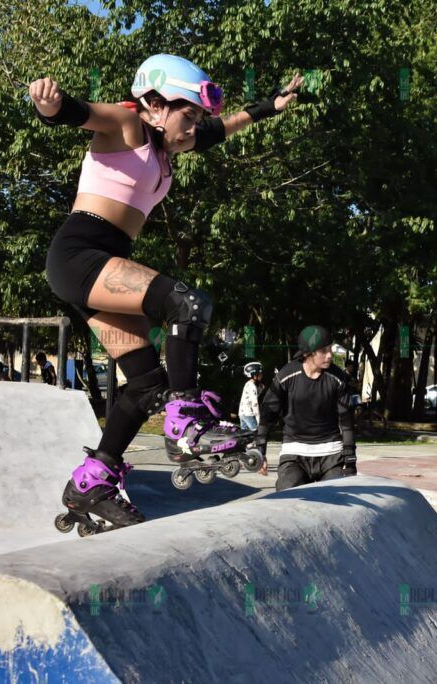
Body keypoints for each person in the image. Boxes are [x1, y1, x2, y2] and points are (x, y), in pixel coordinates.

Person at [32, 56, 303, 529]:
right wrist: (49, 106)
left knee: (143, 386)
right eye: (187, 116)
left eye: (196, 119)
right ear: (156, 105)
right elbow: (80, 113)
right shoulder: (127, 125)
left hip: (100, 265)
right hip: (80, 254)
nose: (193, 128)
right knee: (187, 303)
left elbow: (223, 127)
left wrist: (269, 107)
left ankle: (91, 481)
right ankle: (186, 419)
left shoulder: (167, 147)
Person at [256, 326, 356, 491]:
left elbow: (346, 422)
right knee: (287, 494)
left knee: (338, 497)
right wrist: (260, 451)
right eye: (323, 350)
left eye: (330, 348)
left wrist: (350, 460)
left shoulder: (338, 378)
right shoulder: (286, 376)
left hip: (331, 453)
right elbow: (267, 416)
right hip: (295, 453)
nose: (330, 354)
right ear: (308, 354)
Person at [239, 362, 264, 430]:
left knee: (244, 435)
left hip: (242, 413)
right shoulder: (252, 387)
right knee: (256, 433)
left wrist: (261, 387)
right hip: (248, 414)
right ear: (254, 375)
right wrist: (258, 419)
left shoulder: (249, 384)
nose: (262, 375)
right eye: (260, 374)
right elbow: (254, 404)